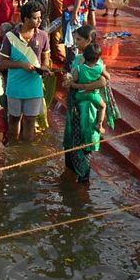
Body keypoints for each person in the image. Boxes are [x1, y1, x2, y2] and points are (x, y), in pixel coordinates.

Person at [62, 25, 111, 182]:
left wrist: (80, 86)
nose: (75, 42)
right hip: (76, 104)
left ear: (89, 40)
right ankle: (71, 176)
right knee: (72, 140)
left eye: (79, 39)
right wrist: (69, 81)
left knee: (85, 140)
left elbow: (103, 82)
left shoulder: (95, 61)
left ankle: (83, 180)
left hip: (87, 107)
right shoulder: (79, 58)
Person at [0, 1, 51, 142]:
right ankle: (13, 148)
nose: (39, 20)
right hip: (15, 86)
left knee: (30, 121)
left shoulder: (43, 36)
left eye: (40, 17)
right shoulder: (10, 36)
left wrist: (45, 68)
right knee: (13, 120)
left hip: (34, 86)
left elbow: (46, 60)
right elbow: (2, 63)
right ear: (26, 19)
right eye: (35, 18)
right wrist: (21, 65)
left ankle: (26, 149)